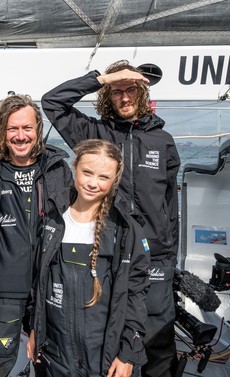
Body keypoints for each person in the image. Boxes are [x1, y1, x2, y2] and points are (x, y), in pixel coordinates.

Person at [41, 60, 181, 377]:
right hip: (107, 255)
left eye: (131, 88)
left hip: (156, 257)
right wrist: (100, 78)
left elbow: (171, 205)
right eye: (116, 91)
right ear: (107, 95)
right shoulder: (95, 133)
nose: (124, 96)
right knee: (112, 339)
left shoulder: (163, 141)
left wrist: (171, 257)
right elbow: (52, 102)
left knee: (157, 342)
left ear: (142, 91)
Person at [0, 94, 73, 376]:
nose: (21, 136)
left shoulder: (58, 169)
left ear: (38, 130)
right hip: (0, 294)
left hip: (50, 290)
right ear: (2, 131)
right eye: (13, 129)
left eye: (27, 128)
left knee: (52, 363)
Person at [28, 139, 150, 377]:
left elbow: (137, 294)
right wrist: (35, 329)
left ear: (114, 180)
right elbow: (38, 283)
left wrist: (128, 354)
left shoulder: (125, 229)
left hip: (104, 357)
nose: (93, 183)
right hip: (56, 355)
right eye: (87, 173)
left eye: (104, 177)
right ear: (75, 169)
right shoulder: (52, 219)